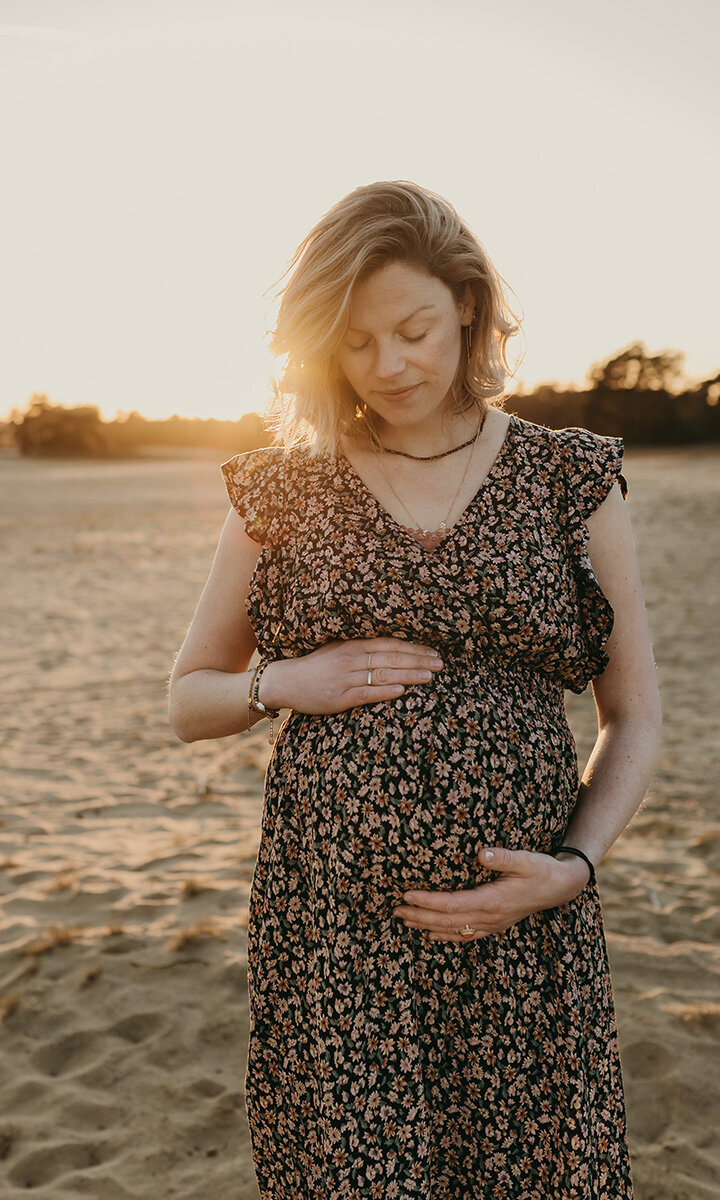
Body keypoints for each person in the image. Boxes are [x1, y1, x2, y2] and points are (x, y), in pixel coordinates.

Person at [168, 179, 661, 1200]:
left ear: (468, 306)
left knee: (528, 1168)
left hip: (521, 915)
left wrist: (572, 866)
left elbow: (633, 714)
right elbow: (188, 700)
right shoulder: (281, 487)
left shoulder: (568, 477)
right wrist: (285, 680)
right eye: (353, 342)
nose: (387, 364)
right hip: (336, 926)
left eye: (412, 329)